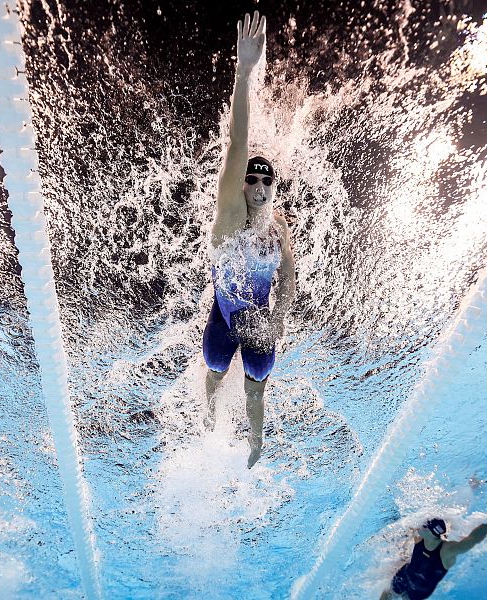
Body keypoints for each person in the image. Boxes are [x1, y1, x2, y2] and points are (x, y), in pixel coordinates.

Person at [203, 11, 296, 469]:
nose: (258, 185)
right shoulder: (232, 213)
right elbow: (238, 146)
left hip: (259, 321)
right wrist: (244, 73)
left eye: (266, 180)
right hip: (224, 315)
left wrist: (277, 320)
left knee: (256, 385)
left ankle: (256, 442)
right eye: (252, 179)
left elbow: (290, 279)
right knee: (216, 371)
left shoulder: (278, 224)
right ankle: (206, 415)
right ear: (242, 183)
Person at [380, 512, 487, 600]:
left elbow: (471, 541)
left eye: (424, 526)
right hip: (405, 575)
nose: (421, 525)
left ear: (432, 534)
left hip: (419, 591)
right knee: (387, 594)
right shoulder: (420, 536)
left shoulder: (446, 551)